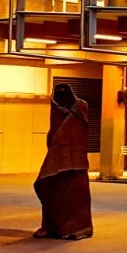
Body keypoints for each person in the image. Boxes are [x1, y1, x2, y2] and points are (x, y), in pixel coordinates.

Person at [33, 83, 94, 240]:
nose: (60, 96)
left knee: (76, 193)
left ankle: (81, 227)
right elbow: (53, 131)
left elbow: (78, 130)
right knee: (51, 188)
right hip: (57, 157)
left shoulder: (80, 107)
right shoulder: (54, 108)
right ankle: (51, 225)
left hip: (76, 162)